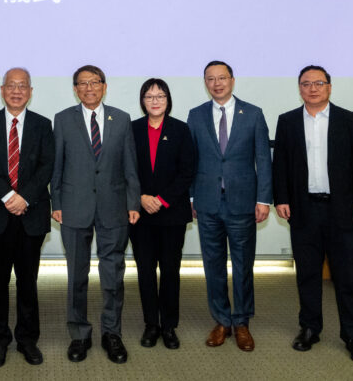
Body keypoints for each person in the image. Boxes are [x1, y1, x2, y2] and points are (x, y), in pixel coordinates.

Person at [272, 65, 353, 365]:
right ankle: (309, 328)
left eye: (319, 83)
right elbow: (280, 164)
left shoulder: (350, 120)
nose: (313, 88)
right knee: (307, 274)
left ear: (329, 87)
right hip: (304, 210)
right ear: (300, 88)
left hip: (342, 210)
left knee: (346, 276)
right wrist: (281, 198)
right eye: (306, 84)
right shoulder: (288, 121)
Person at [51, 64, 141, 364]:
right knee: (77, 274)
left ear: (104, 86)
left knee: (112, 275)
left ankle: (111, 333)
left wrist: (132, 203)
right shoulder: (63, 119)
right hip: (74, 208)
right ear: (75, 89)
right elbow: (57, 167)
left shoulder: (122, 119)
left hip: (114, 208)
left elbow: (130, 166)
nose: (89, 88)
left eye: (95, 82)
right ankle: (79, 333)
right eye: (82, 84)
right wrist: (56, 203)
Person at [186, 60, 272, 352]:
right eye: (211, 79)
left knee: (243, 265)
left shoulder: (254, 114)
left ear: (232, 80)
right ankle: (221, 320)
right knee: (213, 266)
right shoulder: (196, 115)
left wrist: (263, 199)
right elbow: (190, 161)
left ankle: (242, 322)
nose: (217, 83)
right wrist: (191, 197)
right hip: (207, 203)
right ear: (205, 83)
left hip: (243, 203)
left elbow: (263, 160)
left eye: (222, 78)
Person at [0, 67, 55, 367]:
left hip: (30, 215)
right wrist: (8, 196)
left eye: (23, 86)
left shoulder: (43, 125)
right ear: (2, 89)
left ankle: (27, 340)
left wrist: (25, 198)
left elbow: (47, 165)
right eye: (11, 85)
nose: (17, 90)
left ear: (31, 92)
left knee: (27, 282)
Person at [129, 78, 197, 350]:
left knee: (170, 270)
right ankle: (151, 325)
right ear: (142, 101)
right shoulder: (131, 129)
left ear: (168, 100)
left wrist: (162, 199)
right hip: (140, 213)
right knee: (145, 271)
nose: (155, 101)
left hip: (172, 213)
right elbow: (125, 170)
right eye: (149, 96)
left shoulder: (181, 129)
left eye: (160, 96)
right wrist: (141, 198)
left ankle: (169, 326)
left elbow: (187, 171)